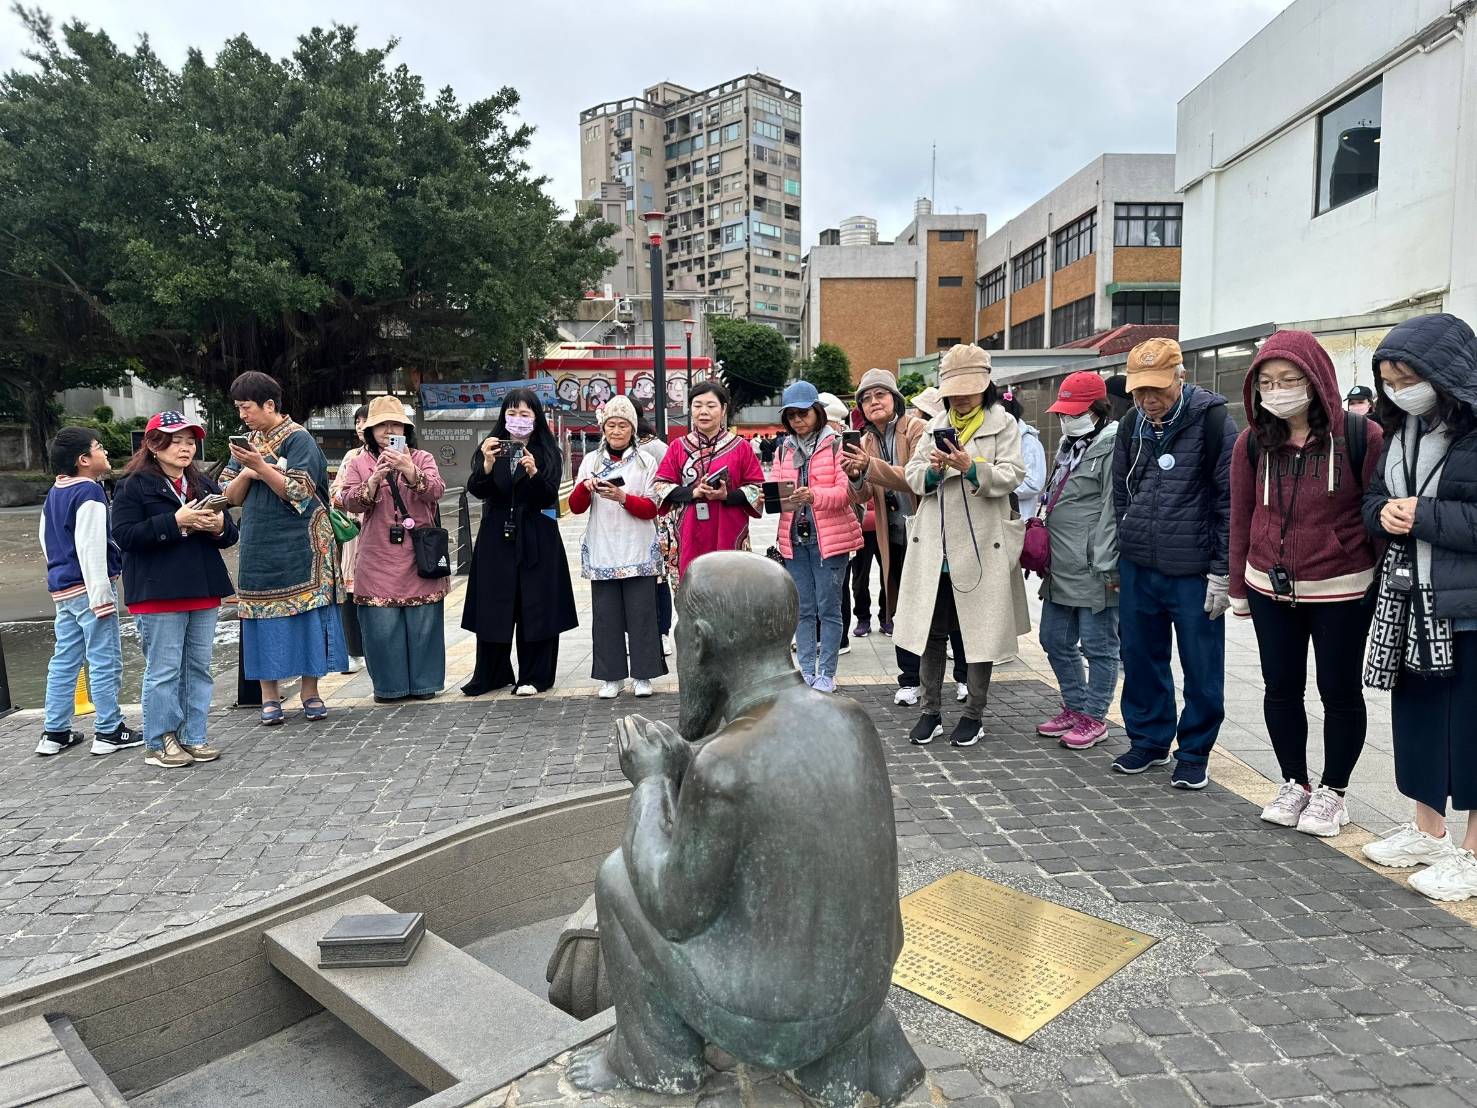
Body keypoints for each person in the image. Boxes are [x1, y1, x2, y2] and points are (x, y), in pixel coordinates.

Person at [1228, 332, 1383, 836]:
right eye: (1267, 382)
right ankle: (1294, 781)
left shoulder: (1363, 436)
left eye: (1289, 380)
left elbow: (1375, 513)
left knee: (1338, 690)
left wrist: (1378, 589)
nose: (1277, 391)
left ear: (1315, 380)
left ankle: (1333, 791)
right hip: (1269, 586)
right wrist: (1237, 586)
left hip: (1341, 585)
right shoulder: (1252, 441)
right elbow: (1242, 516)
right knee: (1280, 687)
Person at [1358, 313, 1477, 901]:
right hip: (1409, 599)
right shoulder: (1401, 430)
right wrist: (1381, 512)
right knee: (1418, 718)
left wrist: (1423, 516)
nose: (1400, 387)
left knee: (1473, 729)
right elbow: (1375, 497)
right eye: (1389, 378)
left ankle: (1474, 856)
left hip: (1466, 604)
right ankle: (1428, 832)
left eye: (1410, 376)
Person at [1111, 338, 1237, 789]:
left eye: (1158, 389)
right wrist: (1120, 547)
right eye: (1140, 390)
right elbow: (1120, 492)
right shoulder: (1131, 424)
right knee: (1141, 657)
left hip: (1193, 569)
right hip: (1139, 564)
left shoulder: (1215, 423)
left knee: (1202, 666)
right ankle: (1148, 739)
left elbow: (1229, 503)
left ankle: (1195, 751)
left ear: (1181, 378)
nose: (1148, 399)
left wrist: (1222, 571)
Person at [895, 343, 1029, 748]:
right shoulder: (935, 422)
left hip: (981, 543)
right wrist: (933, 474)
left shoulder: (1002, 424)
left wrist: (972, 468)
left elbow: (1014, 474)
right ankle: (930, 711)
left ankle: (974, 713)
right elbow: (913, 473)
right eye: (956, 389)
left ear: (986, 385)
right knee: (930, 631)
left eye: (971, 388)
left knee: (978, 632)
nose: (963, 396)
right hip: (935, 545)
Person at [112, 411, 238, 767]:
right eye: (176, 440)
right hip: (157, 591)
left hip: (203, 586)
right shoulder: (133, 484)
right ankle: (159, 740)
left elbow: (230, 535)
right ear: (153, 444)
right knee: (164, 669)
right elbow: (124, 536)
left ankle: (193, 737)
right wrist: (175, 521)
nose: (185, 448)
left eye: (190, 441)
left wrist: (217, 526)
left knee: (198, 667)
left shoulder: (202, 484)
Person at [223, 372, 347, 724]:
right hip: (259, 544)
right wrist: (248, 472)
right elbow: (228, 497)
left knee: (307, 616)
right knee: (261, 618)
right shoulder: (246, 442)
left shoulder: (299, 439)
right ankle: (269, 696)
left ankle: (311, 692)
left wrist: (259, 466)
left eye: (246, 408)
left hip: (302, 544)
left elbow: (300, 493)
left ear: (270, 405)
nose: (242, 416)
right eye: (238, 409)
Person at [461, 388, 578, 696]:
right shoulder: (491, 446)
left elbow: (549, 494)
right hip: (497, 535)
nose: (518, 420)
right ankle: (491, 673)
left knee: (536, 604)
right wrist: (486, 464)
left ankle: (535, 675)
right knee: (493, 604)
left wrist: (534, 472)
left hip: (537, 533)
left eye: (525, 414)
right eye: (512, 413)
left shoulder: (547, 449)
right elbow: (478, 489)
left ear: (536, 417)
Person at [36, 428, 139, 757]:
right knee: (104, 659)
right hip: (90, 587)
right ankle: (109, 730)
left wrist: (58, 574)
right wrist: (101, 597)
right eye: (99, 448)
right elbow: (92, 547)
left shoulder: (56, 491)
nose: (105, 451)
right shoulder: (89, 493)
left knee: (65, 659)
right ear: (84, 460)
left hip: (62, 587)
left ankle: (55, 731)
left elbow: (45, 537)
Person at [339, 396, 449, 703]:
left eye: (395, 423)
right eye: (382, 425)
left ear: (405, 428)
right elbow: (347, 500)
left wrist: (410, 471)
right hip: (376, 554)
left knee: (422, 622)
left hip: (419, 553)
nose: (389, 429)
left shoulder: (423, 457)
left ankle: (424, 684)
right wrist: (374, 479)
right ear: (371, 430)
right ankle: (390, 687)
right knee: (380, 625)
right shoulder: (359, 462)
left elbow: (437, 490)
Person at [1034, 374, 1121, 751]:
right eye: (1064, 414)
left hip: (1093, 564)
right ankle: (1074, 704)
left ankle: (1094, 716)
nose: (1067, 420)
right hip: (1061, 562)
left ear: (1098, 410)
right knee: (1053, 638)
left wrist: (1106, 562)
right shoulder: (1070, 446)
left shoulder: (1112, 445)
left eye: (1076, 413)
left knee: (1099, 646)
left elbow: (1112, 508)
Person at [570, 396, 667, 698]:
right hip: (603, 549)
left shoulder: (645, 462)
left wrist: (623, 498)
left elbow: (653, 507)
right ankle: (611, 676)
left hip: (638, 548)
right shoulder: (591, 461)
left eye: (623, 425)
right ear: (603, 427)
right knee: (606, 616)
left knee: (642, 614)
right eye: (610, 425)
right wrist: (585, 489)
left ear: (633, 429)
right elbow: (575, 507)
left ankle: (644, 675)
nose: (616, 431)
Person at [770, 381, 862, 692]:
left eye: (803, 413)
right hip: (794, 538)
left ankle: (827, 673)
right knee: (804, 609)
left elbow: (844, 493)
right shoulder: (783, 448)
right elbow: (776, 490)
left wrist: (813, 496)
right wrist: (771, 498)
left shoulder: (836, 444)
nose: (797, 420)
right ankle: (807, 671)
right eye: (791, 415)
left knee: (829, 609)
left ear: (817, 411)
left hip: (829, 541)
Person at [653, 381, 763, 579]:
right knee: (692, 588)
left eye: (711, 406)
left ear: (723, 410)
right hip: (688, 531)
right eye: (697, 405)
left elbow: (757, 489)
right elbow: (660, 486)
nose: (703, 411)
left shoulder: (741, 447)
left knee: (730, 588)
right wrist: (693, 493)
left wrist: (726, 495)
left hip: (730, 528)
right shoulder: (678, 446)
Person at [630, 395, 675, 656]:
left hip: (657, 523)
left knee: (659, 579)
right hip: (626, 525)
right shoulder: (615, 449)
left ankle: (662, 632)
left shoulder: (656, 448)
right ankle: (637, 634)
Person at [330, 404, 369, 674]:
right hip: (355, 530)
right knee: (351, 589)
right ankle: (354, 651)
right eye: (358, 420)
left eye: (366, 420)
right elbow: (337, 491)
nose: (360, 425)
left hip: (387, 532)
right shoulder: (351, 456)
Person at [818, 391, 856, 656]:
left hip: (840, 529)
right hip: (813, 529)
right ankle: (821, 635)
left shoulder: (841, 446)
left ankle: (840, 638)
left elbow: (852, 492)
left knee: (838, 586)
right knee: (818, 588)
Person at [1000, 388, 1047, 520]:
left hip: (1020, 518)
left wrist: (996, 486)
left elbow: (1033, 483)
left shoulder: (1028, 442)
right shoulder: (1000, 439)